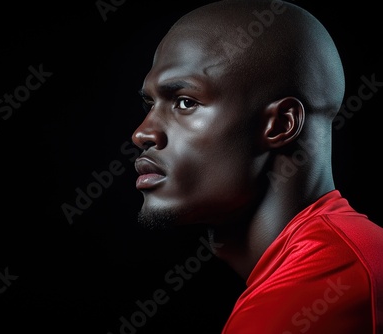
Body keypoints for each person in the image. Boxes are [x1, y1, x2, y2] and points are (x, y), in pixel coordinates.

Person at [130, 0, 383, 333]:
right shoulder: (342, 251)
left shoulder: (325, 280)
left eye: (185, 102)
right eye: (150, 104)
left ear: (280, 125)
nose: (142, 133)